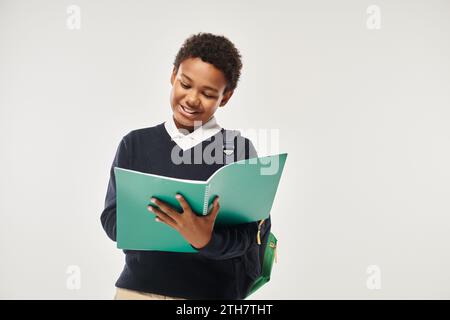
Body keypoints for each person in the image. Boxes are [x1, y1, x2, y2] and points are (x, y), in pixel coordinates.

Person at [101, 32, 271, 300]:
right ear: (173, 76)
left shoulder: (238, 150)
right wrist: (162, 224)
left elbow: (247, 236)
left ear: (225, 97)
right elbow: (111, 218)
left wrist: (205, 240)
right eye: (185, 84)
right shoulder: (135, 143)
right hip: (137, 291)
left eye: (207, 93)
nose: (192, 99)